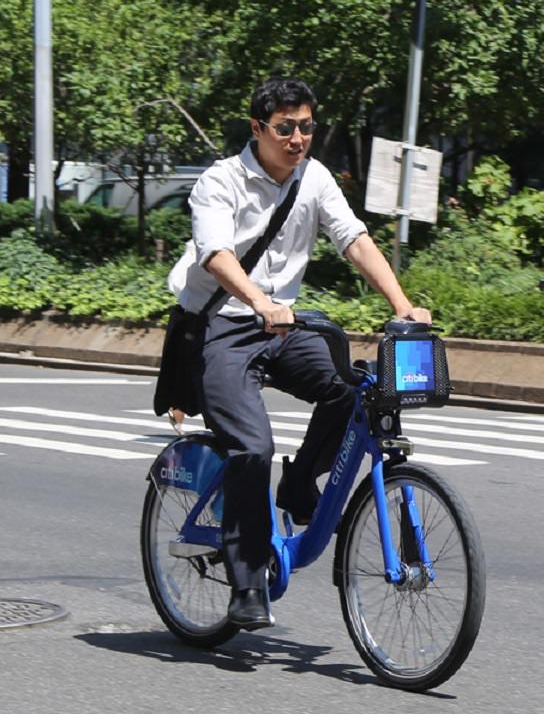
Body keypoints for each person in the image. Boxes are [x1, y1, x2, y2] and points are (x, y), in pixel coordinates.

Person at [168, 78, 432, 630]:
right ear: (258, 129)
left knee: (351, 388)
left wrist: (403, 305)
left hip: (282, 328)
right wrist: (261, 300)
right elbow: (216, 255)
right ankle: (245, 582)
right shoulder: (220, 181)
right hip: (222, 328)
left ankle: (299, 483)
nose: (297, 138)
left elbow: (354, 239)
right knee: (251, 446)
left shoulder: (314, 179)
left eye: (306, 127)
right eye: (285, 128)